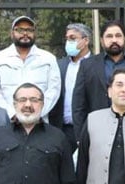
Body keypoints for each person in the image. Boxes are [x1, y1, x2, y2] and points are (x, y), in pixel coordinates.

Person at [72, 20, 125, 140]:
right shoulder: (87, 66)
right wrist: (81, 138)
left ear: (124, 39)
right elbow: (78, 105)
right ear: (102, 40)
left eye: (118, 36)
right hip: (98, 131)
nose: (114, 40)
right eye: (109, 36)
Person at [0, 16, 61, 120]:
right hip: (7, 122)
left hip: (39, 123)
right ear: (12, 33)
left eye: (29, 30)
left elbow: (54, 91)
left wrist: (36, 114)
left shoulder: (48, 59)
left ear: (35, 33)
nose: (25, 33)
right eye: (20, 30)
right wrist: (12, 115)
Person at [49, 23, 92, 152]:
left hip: (87, 129)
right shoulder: (59, 65)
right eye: (67, 39)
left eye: (73, 38)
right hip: (61, 130)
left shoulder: (96, 64)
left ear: (85, 41)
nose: (68, 42)